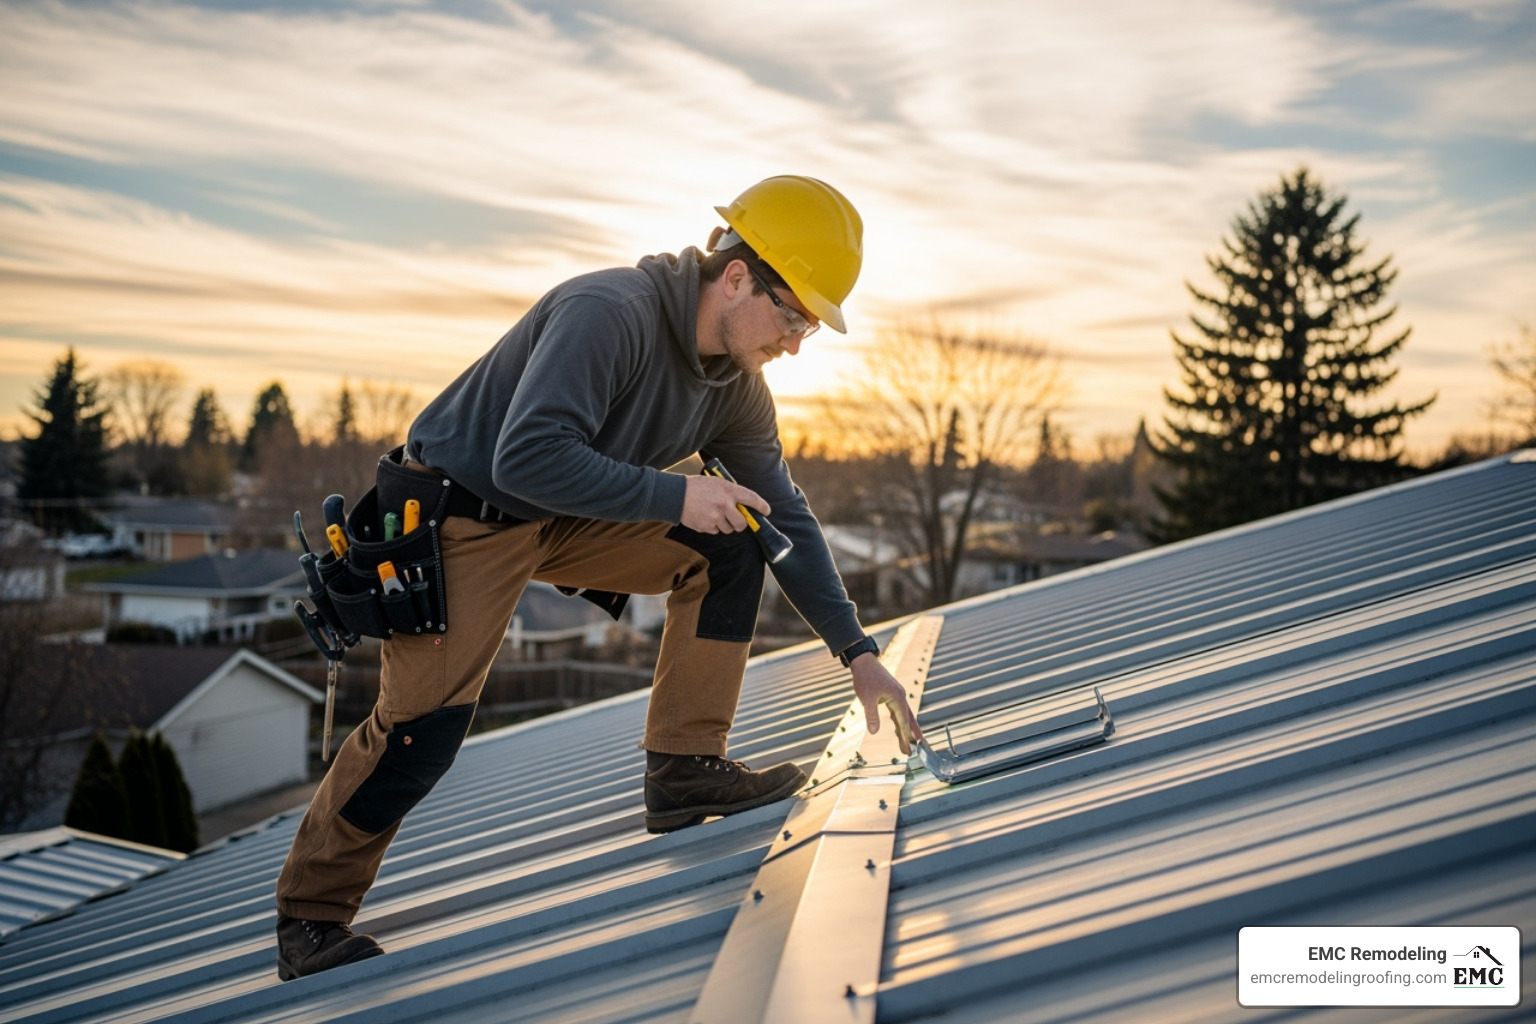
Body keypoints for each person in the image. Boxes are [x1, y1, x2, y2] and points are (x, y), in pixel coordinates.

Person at [273, 175, 924, 980]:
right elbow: (526, 456)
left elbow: (784, 515)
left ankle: (684, 768)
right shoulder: (609, 313)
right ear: (736, 276)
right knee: (420, 730)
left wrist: (857, 651)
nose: (794, 341)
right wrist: (678, 491)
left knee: (733, 540)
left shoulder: (735, 390)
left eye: (810, 329)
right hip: (464, 510)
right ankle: (311, 913)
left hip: (564, 509)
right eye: (792, 315)